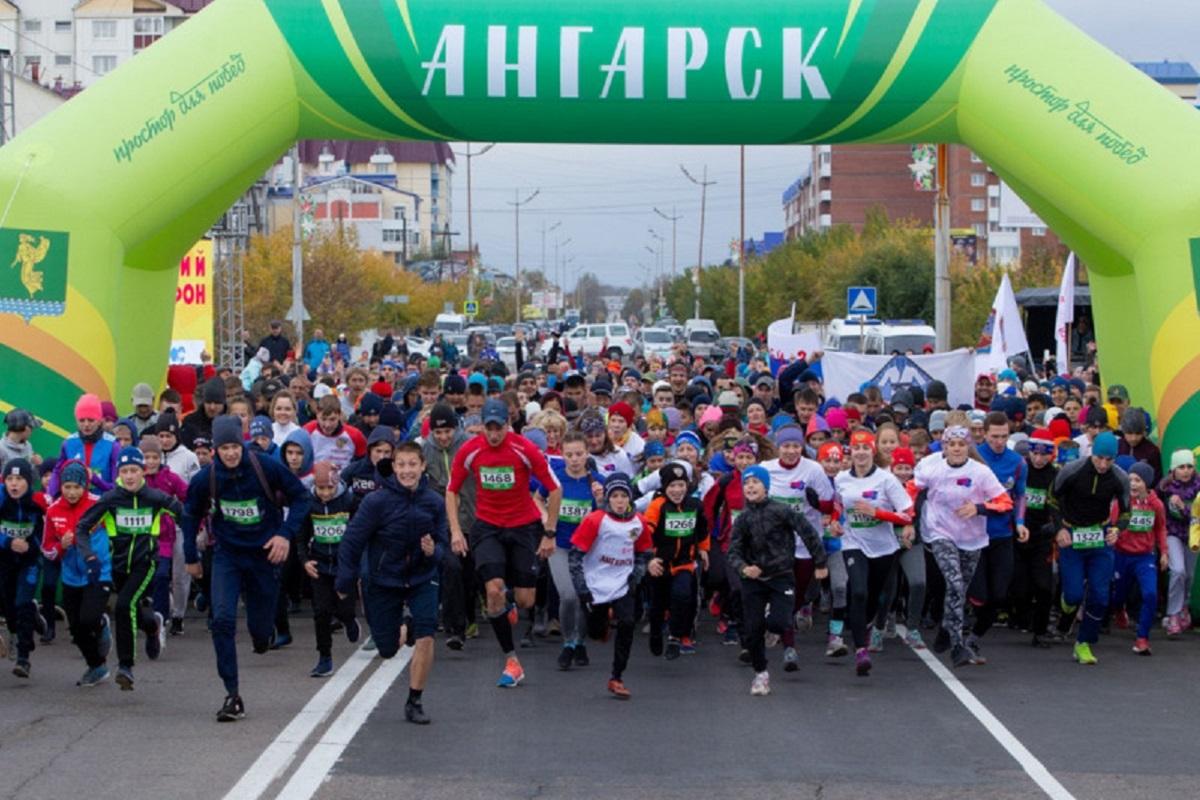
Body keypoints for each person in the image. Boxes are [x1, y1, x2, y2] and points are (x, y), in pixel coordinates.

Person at [181, 415, 310, 721]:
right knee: (222, 620)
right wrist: (190, 556)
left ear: (242, 445)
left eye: (234, 446)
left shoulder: (264, 466)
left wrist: (285, 534)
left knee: (261, 629)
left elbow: (301, 497)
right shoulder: (207, 478)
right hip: (227, 555)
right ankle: (232, 694)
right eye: (224, 448)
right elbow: (189, 515)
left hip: (264, 555)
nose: (230, 453)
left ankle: (262, 637)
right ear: (215, 450)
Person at [446, 398, 561, 688]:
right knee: (493, 590)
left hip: (523, 526)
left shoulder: (524, 448)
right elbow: (452, 491)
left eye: (499, 428)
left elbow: (554, 489)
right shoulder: (470, 450)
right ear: (481, 426)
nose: (494, 434)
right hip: (487, 527)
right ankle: (512, 660)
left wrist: (549, 532)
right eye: (489, 428)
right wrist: (456, 531)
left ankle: (510, 603)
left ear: (508, 425)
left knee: (526, 600)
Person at [338, 442, 446, 723]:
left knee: (426, 634)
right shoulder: (377, 502)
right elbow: (352, 542)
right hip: (383, 579)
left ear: (423, 466)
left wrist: (433, 551)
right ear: (393, 467)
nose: (407, 471)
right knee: (387, 649)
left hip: (422, 577)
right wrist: (345, 581)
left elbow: (443, 545)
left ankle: (415, 700)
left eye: (413, 464)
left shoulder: (434, 501)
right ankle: (405, 626)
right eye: (402, 465)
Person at [73, 447, 183, 690]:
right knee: (133, 608)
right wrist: (89, 555)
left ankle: (126, 667)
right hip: (119, 566)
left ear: (143, 471)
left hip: (146, 564)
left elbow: (184, 514)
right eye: (124, 471)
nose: (130, 476)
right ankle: (152, 626)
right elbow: (82, 528)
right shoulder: (111, 499)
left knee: (124, 605)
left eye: (134, 470)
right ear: (118, 474)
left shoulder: (155, 498)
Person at [912, 425, 1012, 668]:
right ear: (944, 447)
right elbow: (911, 491)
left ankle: (947, 627)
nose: (956, 448)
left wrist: (977, 509)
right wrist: (906, 520)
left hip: (972, 538)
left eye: (961, 444)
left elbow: (1005, 502)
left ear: (968, 446)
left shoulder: (981, 472)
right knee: (954, 582)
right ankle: (958, 646)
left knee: (960, 590)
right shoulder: (931, 466)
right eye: (951, 444)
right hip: (940, 533)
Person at [728, 465, 827, 696]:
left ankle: (772, 625)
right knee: (752, 631)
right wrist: (743, 568)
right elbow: (733, 551)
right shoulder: (743, 518)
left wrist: (820, 563)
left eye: (755, 482)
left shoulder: (781, 511)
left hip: (781, 577)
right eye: (746, 483)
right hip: (754, 580)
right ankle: (760, 674)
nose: (750, 486)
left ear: (766, 486)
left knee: (779, 623)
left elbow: (808, 532)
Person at [834, 430, 914, 676]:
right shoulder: (840, 479)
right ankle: (861, 651)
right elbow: (837, 506)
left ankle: (866, 624)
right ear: (850, 451)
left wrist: (877, 513)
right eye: (855, 449)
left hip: (883, 547)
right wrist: (835, 521)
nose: (860, 453)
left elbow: (907, 513)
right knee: (858, 591)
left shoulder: (886, 479)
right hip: (853, 543)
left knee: (873, 597)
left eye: (865, 448)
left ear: (873, 451)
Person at [568, 473, 654, 699]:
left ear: (629, 498)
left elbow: (645, 552)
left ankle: (617, 677)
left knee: (627, 623)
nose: (619, 500)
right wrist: (581, 587)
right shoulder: (595, 520)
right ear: (608, 498)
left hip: (623, 582)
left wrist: (636, 575)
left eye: (623, 495)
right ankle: (603, 618)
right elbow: (576, 555)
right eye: (614, 496)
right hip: (595, 582)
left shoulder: (640, 522)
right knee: (596, 632)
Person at [1048, 430, 1130, 665]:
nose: (1103, 464)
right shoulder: (1072, 470)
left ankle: (1083, 643)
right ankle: (1066, 604)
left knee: (1101, 597)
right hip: (1072, 535)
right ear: (1092, 453)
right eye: (1099, 458)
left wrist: (1117, 529)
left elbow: (1126, 511)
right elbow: (1051, 499)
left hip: (1100, 537)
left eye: (1109, 460)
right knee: (1073, 594)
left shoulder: (1119, 477)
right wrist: (1059, 530)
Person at [43, 460, 112, 686]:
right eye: (67, 487)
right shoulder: (53, 510)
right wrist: (61, 546)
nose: (72, 492)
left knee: (89, 619)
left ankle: (101, 624)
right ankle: (97, 666)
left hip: (98, 573)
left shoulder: (98, 505)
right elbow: (47, 549)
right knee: (76, 629)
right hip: (71, 576)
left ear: (85, 486)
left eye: (77, 487)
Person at [966, 411, 1027, 661]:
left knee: (999, 594)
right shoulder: (975, 457)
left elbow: (1020, 495)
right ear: (984, 433)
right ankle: (960, 624)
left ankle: (973, 637)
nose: (999, 441)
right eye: (994, 436)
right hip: (976, 535)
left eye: (1003, 436)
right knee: (980, 593)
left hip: (1002, 535)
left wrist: (1020, 522)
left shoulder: (1017, 462)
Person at [539, 430, 600, 670]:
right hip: (560, 545)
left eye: (579, 454)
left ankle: (579, 642)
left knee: (584, 597)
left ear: (587, 454)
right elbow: (536, 498)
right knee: (568, 595)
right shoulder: (554, 479)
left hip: (587, 549)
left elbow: (606, 515)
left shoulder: (596, 481)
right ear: (562, 455)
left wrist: (602, 499)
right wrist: (547, 521)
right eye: (569, 454)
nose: (574, 459)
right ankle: (567, 641)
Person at [295, 461, 361, 677]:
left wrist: (355, 561)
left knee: (344, 608)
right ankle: (324, 657)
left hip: (344, 565)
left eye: (329, 488)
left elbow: (361, 531)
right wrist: (305, 560)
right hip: (320, 564)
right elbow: (301, 536)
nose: (324, 493)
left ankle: (350, 620)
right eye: (320, 488)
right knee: (321, 612)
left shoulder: (349, 501)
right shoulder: (308, 502)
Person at [643, 462, 709, 660]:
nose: (677, 490)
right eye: (672, 486)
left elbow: (702, 530)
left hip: (684, 563)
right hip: (660, 564)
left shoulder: (694, 505)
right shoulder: (657, 505)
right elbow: (646, 534)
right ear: (664, 487)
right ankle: (656, 632)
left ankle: (674, 636)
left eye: (681, 485)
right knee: (658, 603)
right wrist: (650, 559)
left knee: (682, 597)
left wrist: (704, 550)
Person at [1110, 462, 1167, 655]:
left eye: (1138, 480)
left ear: (1147, 483)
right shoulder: (1121, 502)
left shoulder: (1156, 504)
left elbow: (1160, 528)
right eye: (1130, 479)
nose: (1132, 484)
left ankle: (1142, 638)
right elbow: (1112, 524)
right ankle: (1118, 609)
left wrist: (1164, 552)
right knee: (1119, 595)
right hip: (1122, 555)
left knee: (1150, 594)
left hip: (1145, 557)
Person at [1011, 429, 1058, 648]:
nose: (1038, 459)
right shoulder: (1020, 469)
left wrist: (1055, 525)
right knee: (1020, 587)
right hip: (1018, 534)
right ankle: (1021, 616)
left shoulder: (1056, 475)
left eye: (1044, 454)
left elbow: (1062, 504)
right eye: (1035, 454)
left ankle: (1040, 632)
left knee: (1044, 587)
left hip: (1042, 537)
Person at [1, 458, 45, 678]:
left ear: (28, 481)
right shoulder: (1, 501)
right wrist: (8, 542)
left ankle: (23, 658)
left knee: (23, 603)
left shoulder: (37, 503)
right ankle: (19, 629)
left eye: (19, 479)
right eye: (10, 479)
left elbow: (46, 531)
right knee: (9, 606)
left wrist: (31, 546)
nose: (14, 484)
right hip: (5, 560)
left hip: (29, 561)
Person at [1158, 449, 1200, 636]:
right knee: (1178, 571)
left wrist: (1185, 507)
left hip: (1194, 534)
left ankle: (1184, 607)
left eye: (1189, 466)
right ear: (1173, 469)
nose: (1185, 470)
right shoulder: (1165, 489)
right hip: (1173, 533)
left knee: (1189, 575)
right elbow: (1159, 513)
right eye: (1181, 467)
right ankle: (1173, 614)